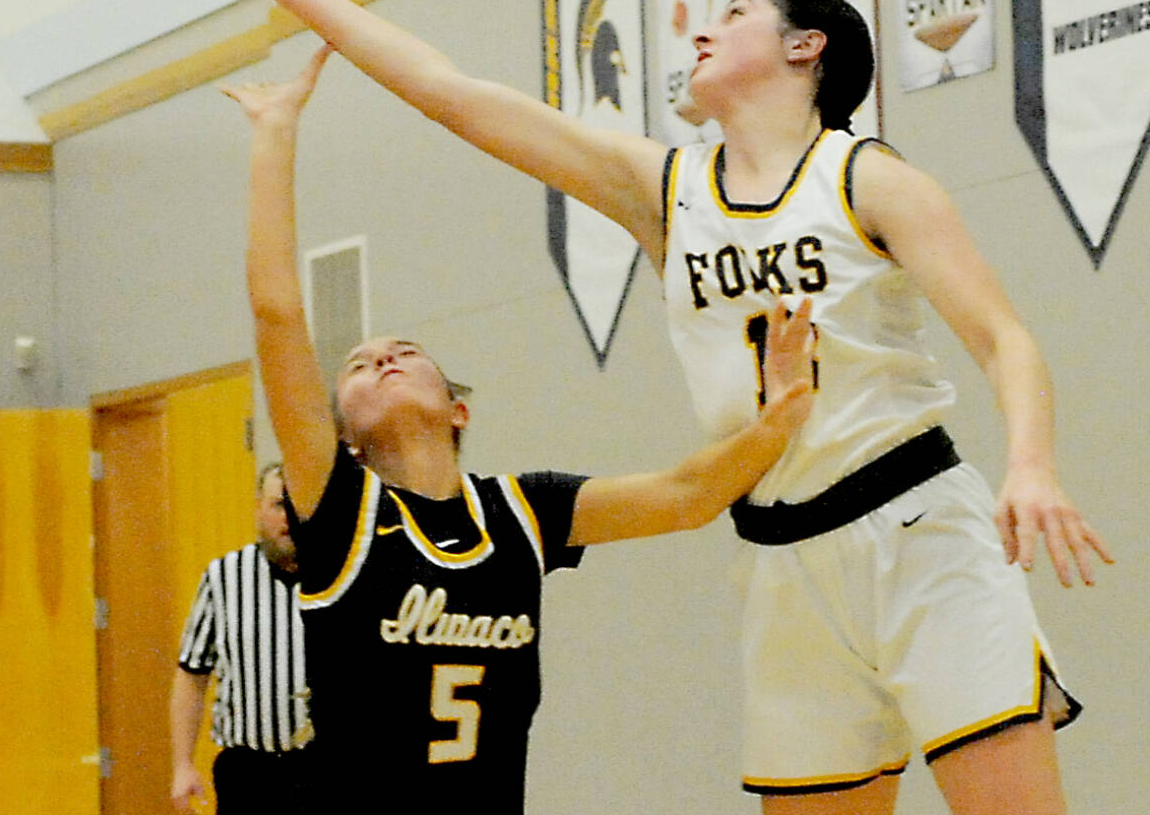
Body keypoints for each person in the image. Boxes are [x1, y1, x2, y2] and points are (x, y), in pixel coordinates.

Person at [208, 0, 1113, 815]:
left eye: (733, 12)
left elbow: (1005, 338)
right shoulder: (665, 190)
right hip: (780, 551)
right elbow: (451, 94)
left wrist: (1033, 466)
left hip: (916, 523)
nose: (702, 29)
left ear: (808, 47)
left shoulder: (869, 179)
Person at [220, 41, 814, 813]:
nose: (385, 358)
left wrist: (785, 415)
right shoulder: (341, 510)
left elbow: (686, 495)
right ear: (346, 435)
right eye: (361, 366)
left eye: (405, 352)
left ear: (458, 408)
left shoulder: (523, 513)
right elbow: (276, 311)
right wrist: (275, 132)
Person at [171, 462, 316, 812]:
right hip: (250, 774)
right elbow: (191, 676)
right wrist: (182, 764)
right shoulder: (224, 578)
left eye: (299, 503)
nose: (289, 516)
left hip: (326, 772)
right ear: (257, 507)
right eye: (279, 504)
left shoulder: (344, 575)